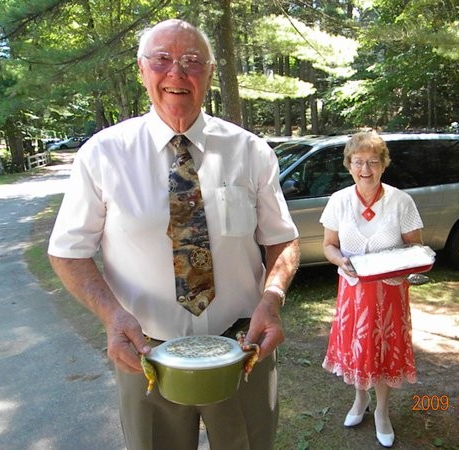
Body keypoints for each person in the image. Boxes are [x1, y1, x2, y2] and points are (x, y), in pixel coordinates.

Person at [47, 19, 300, 450]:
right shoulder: (103, 154)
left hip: (242, 348)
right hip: (145, 354)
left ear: (210, 72)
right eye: (162, 59)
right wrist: (112, 317)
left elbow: (283, 240)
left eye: (192, 61)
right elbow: (68, 252)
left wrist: (272, 301)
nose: (176, 73)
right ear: (142, 70)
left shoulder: (250, 151)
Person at [319, 131, 423, 448]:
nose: (366, 169)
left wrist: (400, 267)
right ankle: (359, 400)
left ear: (384, 165)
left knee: (382, 352)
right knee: (358, 350)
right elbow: (329, 246)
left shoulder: (401, 201)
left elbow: (415, 247)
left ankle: (382, 411)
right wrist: (341, 261)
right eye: (359, 162)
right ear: (349, 164)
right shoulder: (339, 201)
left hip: (389, 293)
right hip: (353, 291)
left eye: (373, 162)